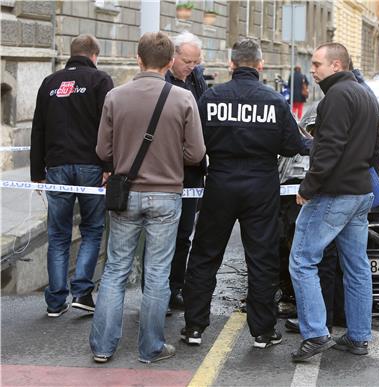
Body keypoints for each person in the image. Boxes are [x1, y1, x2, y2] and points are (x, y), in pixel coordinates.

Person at [181, 38, 308, 349]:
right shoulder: (273, 100)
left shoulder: (211, 97)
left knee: (205, 255)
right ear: (260, 65)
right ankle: (263, 331)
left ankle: (195, 327)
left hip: (220, 182)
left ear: (231, 64)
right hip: (261, 185)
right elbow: (295, 145)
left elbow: (194, 145)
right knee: (261, 259)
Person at [90, 31, 205, 364]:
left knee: (114, 271)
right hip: (167, 195)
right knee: (157, 274)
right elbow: (196, 153)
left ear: (137, 59)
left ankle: (102, 346)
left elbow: (102, 150)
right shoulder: (184, 99)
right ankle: (151, 346)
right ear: (170, 62)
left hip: (126, 195)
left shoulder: (115, 96)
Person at [289, 43, 379, 362]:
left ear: (337, 64)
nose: (312, 70)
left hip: (335, 193)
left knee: (302, 260)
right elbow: (376, 150)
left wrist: (309, 186)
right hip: (359, 192)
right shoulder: (365, 93)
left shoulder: (337, 98)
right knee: (357, 266)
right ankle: (358, 337)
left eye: (317, 64)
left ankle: (315, 334)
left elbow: (328, 149)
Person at [30, 34, 114, 318]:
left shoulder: (50, 83)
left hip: (56, 166)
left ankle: (55, 301)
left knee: (58, 234)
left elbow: (38, 128)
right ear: (94, 55)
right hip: (90, 164)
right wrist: (108, 165)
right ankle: (81, 291)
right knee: (91, 230)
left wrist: (35, 172)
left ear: (72, 53)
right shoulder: (100, 80)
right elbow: (108, 126)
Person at [164, 31, 208, 310]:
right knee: (162, 235)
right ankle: (157, 290)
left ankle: (174, 288)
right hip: (166, 169)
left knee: (183, 235)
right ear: (172, 58)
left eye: (195, 61)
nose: (191, 66)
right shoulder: (162, 82)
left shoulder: (196, 79)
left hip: (191, 172)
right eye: (187, 61)